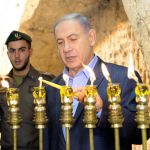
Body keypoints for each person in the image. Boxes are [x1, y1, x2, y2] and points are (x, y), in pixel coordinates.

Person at [44, 13, 148, 150]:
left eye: (73, 39)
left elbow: (140, 134)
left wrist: (101, 110)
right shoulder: (52, 87)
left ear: (91, 38)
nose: (66, 48)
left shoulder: (123, 78)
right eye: (60, 42)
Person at [0, 30, 54, 150]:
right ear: (7, 53)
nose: (17, 56)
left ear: (30, 51)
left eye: (22, 50)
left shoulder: (46, 82)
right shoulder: (2, 85)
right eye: (12, 51)